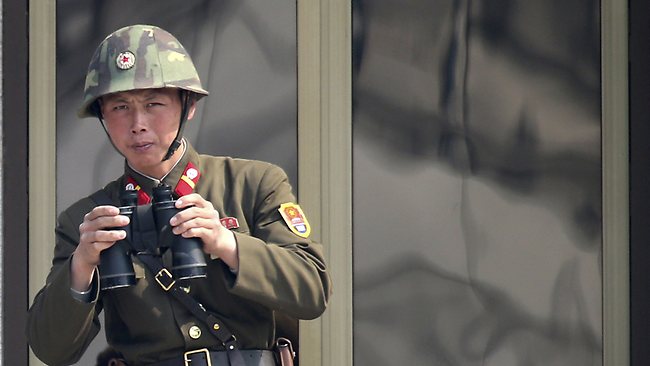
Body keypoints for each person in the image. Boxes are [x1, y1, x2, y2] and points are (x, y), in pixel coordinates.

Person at [26, 24, 331, 366]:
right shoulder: (87, 218)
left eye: (154, 103)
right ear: (101, 116)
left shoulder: (253, 184)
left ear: (189, 106)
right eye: (119, 107)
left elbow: (313, 291)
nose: (138, 123)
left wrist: (226, 244)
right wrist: (81, 265)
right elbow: (49, 349)